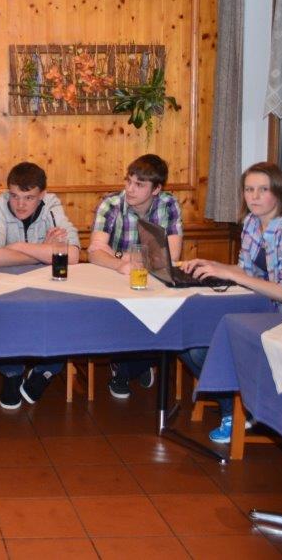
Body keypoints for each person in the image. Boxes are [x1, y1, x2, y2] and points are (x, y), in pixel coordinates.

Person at [181, 162, 282, 443]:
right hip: (261, 310)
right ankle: (242, 406)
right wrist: (210, 264)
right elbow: (245, 271)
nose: (254, 196)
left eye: (263, 190)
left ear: (279, 193)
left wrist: (229, 273)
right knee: (190, 340)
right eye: (249, 190)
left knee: (203, 349)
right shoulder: (251, 222)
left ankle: (241, 411)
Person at [0, 162, 80, 409]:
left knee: (66, 311)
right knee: (6, 312)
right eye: (15, 196)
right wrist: (44, 251)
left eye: (29, 198)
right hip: (6, 290)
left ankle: (47, 370)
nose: (20, 204)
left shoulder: (51, 204)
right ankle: (12, 373)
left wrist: (19, 247)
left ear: (42, 195)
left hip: (46, 288)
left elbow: (73, 256)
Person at [88, 153, 181, 399]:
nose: (130, 189)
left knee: (166, 315)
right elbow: (94, 252)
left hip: (154, 280)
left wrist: (124, 255)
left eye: (139, 184)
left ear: (156, 189)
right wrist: (120, 264)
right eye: (128, 181)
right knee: (117, 314)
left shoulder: (168, 204)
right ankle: (138, 361)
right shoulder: (111, 204)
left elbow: (171, 255)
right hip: (116, 278)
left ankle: (128, 367)